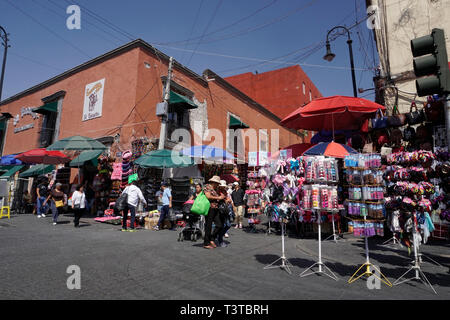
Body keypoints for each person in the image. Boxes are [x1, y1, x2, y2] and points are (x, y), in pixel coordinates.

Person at [203, 176, 225, 249]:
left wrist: (222, 197)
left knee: (219, 225)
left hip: (216, 208)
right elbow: (208, 196)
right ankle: (206, 243)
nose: (217, 185)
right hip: (209, 208)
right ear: (214, 182)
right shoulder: (207, 186)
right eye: (217, 183)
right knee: (208, 226)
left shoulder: (215, 189)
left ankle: (212, 238)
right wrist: (218, 198)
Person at [217, 180, 233, 247]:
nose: (223, 187)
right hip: (220, 210)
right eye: (222, 186)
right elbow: (218, 200)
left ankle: (219, 236)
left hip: (226, 210)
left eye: (223, 186)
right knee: (223, 225)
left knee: (228, 225)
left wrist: (228, 200)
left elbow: (228, 199)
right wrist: (223, 199)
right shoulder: (217, 192)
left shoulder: (225, 192)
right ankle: (220, 239)